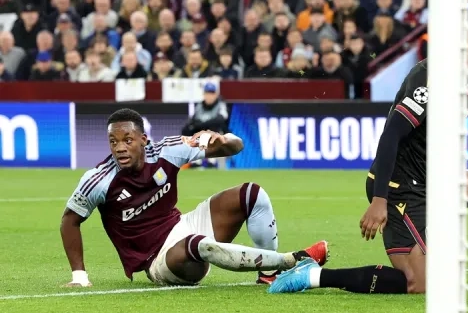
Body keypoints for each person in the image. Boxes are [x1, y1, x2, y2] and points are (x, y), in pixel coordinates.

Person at [265, 13, 468, 295]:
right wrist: (379, 200)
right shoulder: (427, 78)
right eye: (466, 42)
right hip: (399, 187)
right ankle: (313, 276)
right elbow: (391, 135)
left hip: (435, 178)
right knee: (418, 284)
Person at [60, 108, 327, 287]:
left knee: (253, 194)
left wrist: (220, 138)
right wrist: (79, 275)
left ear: (143, 139)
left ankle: (270, 275)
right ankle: (291, 260)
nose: (119, 147)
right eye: (113, 142)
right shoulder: (98, 179)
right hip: (159, 259)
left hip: (183, 226)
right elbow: (69, 221)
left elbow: (236, 147)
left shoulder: (168, 149)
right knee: (198, 244)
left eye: (127, 140)